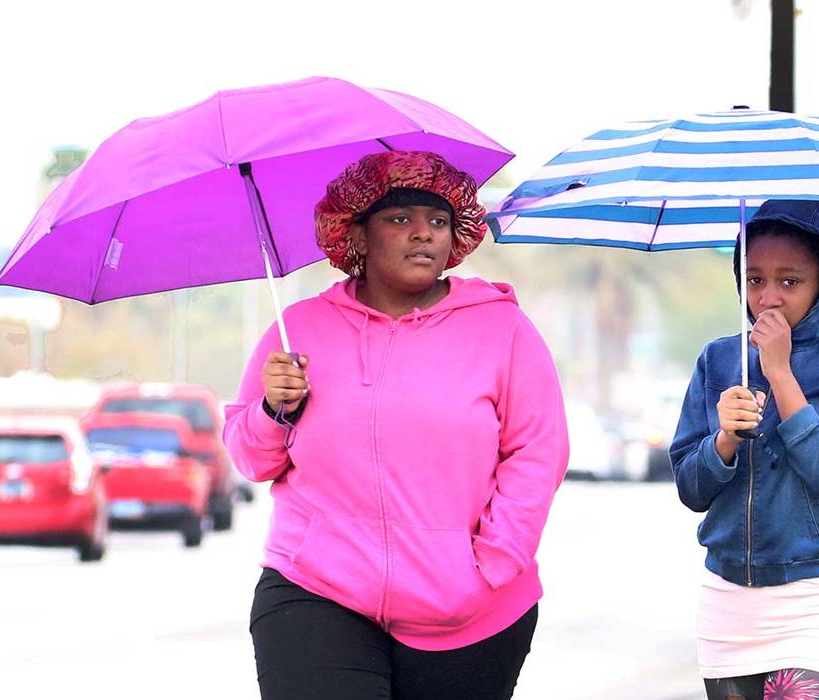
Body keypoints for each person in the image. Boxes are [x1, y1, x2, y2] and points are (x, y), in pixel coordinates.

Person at [223, 151, 569, 700]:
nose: (423, 235)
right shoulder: (300, 329)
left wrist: (492, 564)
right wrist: (274, 410)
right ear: (357, 234)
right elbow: (252, 458)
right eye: (400, 220)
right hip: (316, 588)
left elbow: (536, 452)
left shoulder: (504, 329)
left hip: (469, 609)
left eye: (437, 222)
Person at [669, 199, 819, 700]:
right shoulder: (718, 359)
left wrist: (781, 373)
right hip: (728, 599)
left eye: (790, 281)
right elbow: (689, 488)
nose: (768, 297)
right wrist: (722, 441)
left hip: (813, 594)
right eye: (756, 278)